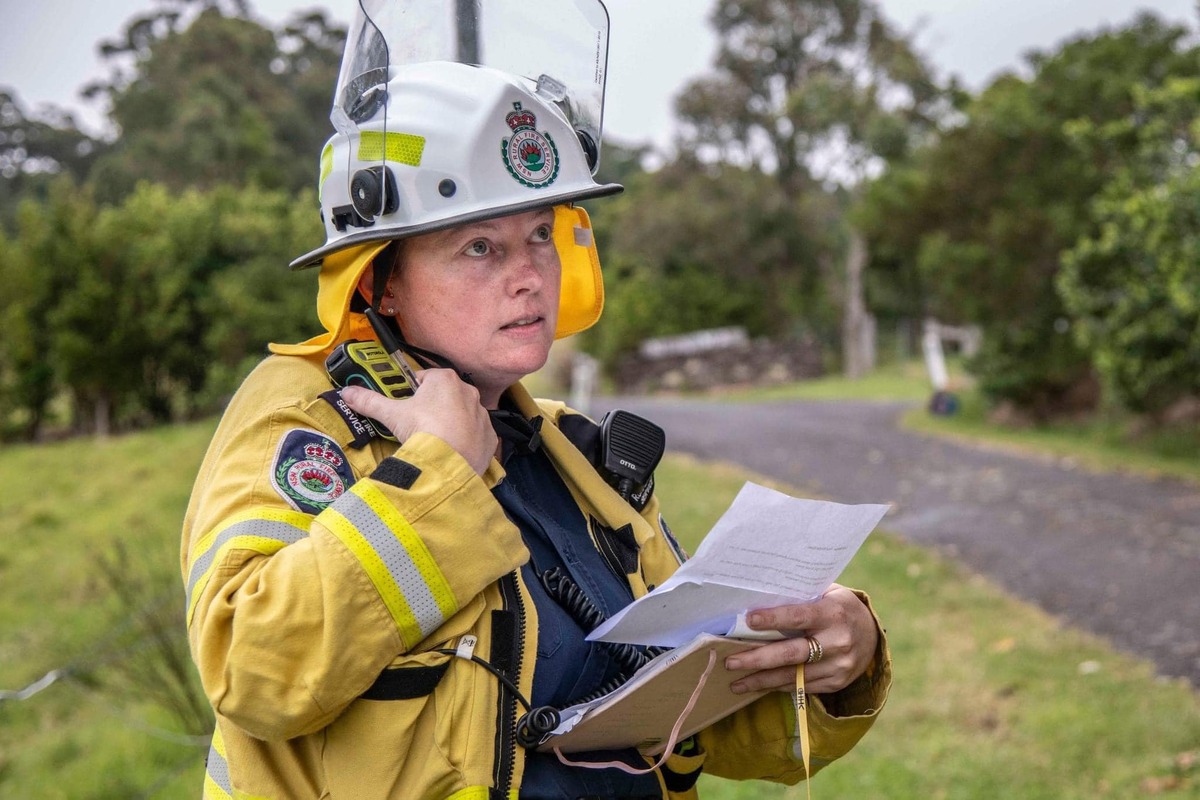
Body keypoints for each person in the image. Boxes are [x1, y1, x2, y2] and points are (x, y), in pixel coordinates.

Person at [180, 2, 891, 798]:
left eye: (541, 236)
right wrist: (437, 471)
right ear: (380, 278)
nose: (528, 275)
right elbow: (252, 669)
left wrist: (832, 659)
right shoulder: (305, 421)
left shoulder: (573, 452)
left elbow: (697, 712)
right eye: (479, 246)